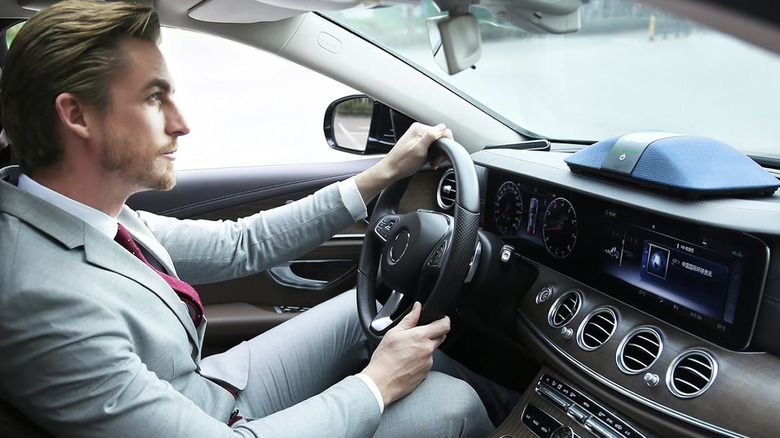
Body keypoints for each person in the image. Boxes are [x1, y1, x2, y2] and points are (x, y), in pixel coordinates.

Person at [0, 1, 514, 437]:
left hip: (209, 386)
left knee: (372, 318)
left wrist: (381, 175)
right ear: (77, 116)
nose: (182, 124)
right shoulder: (38, 299)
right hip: (216, 421)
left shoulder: (76, 211)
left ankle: (520, 410)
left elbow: (239, 244)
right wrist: (376, 385)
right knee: (449, 403)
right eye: (155, 97)